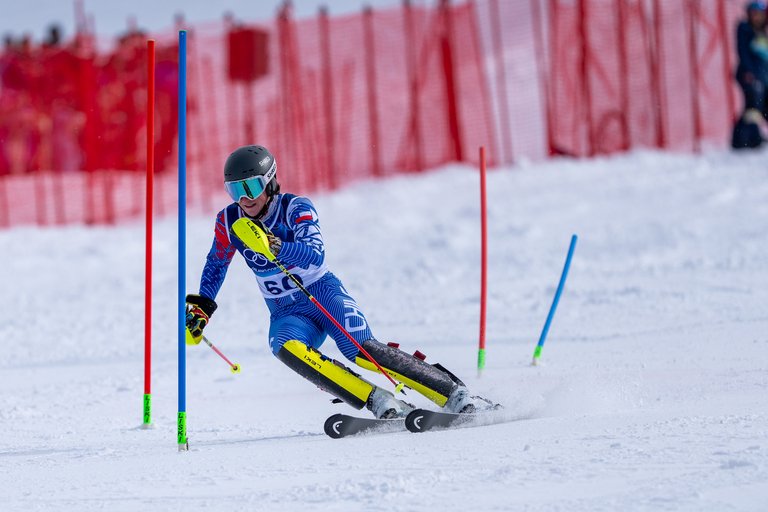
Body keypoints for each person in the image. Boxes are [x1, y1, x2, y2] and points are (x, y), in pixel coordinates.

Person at [185, 145, 490, 419]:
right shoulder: (228, 222)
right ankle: (378, 401)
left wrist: (276, 246)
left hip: (322, 294)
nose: (245, 199)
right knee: (283, 346)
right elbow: (216, 263)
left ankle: (452, 393)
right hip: (285, 311)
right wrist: (202, 306)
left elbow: (315, 255)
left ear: (270, 181)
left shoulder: (295, 208)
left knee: (361, 350)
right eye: (234, 190)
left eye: (251, 187)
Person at [733, 2, 768, 148]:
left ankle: (750, 138)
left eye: (759, 14)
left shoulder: (762, 32)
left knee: (761, 107)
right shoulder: (745, 29)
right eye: (753, 14)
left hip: (763, 77)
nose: (756, 17)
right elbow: (743, 54)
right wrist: (750, 73)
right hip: (749, 76)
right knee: (753, 106)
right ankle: (744, 139)